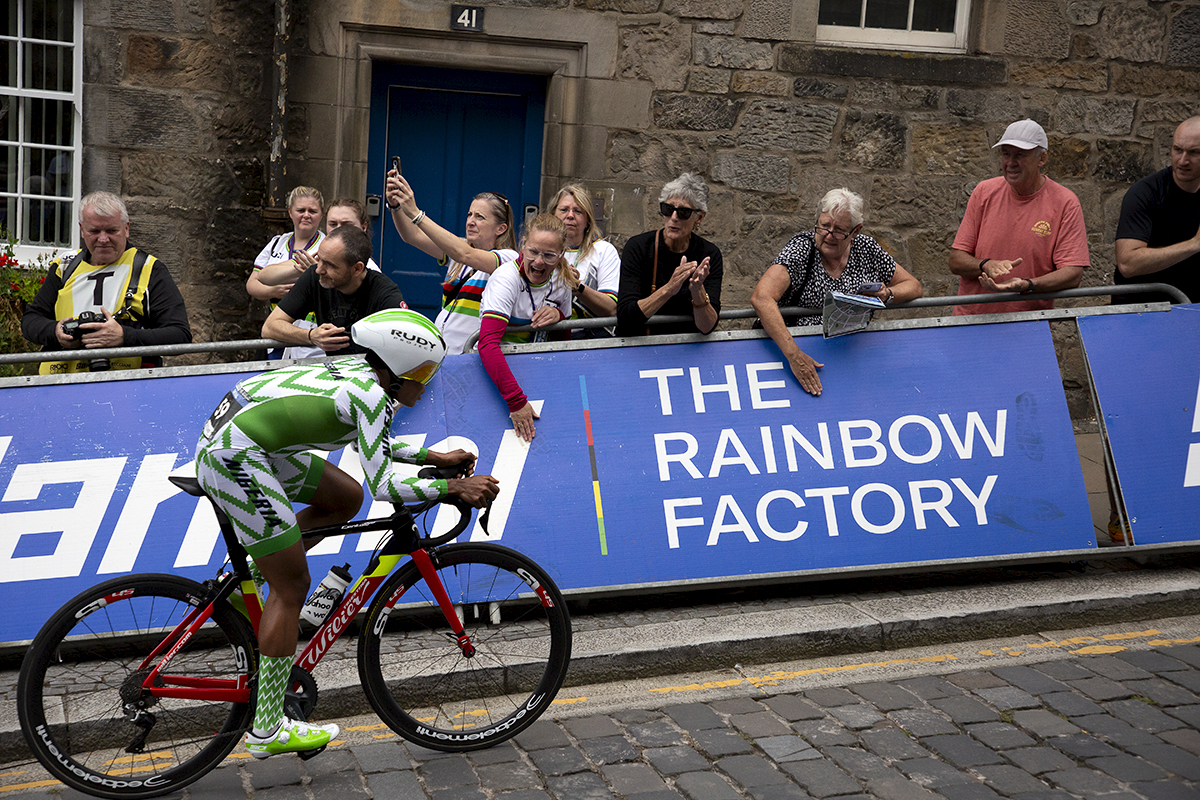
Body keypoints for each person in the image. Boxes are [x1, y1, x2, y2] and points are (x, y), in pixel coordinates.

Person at [195, 308, 500, 759]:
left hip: (247, 441)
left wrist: (431, 455)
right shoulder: (371, 394)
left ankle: (252, 588)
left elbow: (371, 440)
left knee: (344, 499)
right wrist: (452, 486)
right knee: (293, 585)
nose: (427, 380)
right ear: (396, 367)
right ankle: (267, 729)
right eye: (422, 371)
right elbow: (385, 486)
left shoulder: (365, 375)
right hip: (234, 455)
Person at [750, 188, 923, 397]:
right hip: (797, 353)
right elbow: (761, 297)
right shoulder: (802, 248)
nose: (829, 235)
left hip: (849, 354)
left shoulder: (867, 249)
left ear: (855, 231)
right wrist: (795, 357)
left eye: (839, 230)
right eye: (824, 226)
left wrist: (887, 294)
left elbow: (913, 286)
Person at [20, 191, 192, 374]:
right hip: (60, 386)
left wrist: (124, 336)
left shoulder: (149, 269)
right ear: (82, 229)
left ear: (126, 228)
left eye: (112, 230)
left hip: (127, 387)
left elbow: (180, 335)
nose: (103, 239)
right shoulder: (64, 266)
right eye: (94, 231)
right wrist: (55, 331)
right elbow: (30, 321)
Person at [949, 119, 1089, 315]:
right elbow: (956, 260)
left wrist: (1028, 284)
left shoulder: (1065, 202)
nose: (1011, 163)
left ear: (1042, 159)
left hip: (1029, 322)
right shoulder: (984, 192)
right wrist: (985, 265)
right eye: (1006, 154)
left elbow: (1073, 274)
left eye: (1020, 155)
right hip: (973, 321)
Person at [385, 171, 517, 354]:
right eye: (470, 214)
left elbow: (466, 255)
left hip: (472, 357)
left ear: (501, 228)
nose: (471, 221)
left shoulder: (508, 259)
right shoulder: (459, 249)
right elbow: (411, 236)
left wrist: (415, 213)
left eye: (480, 217)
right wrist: (395, 206)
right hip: (443, 353)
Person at [478, 214, 576, 442]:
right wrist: (516, 402)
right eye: (532, 252)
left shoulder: (562, 279)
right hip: (500, 379)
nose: (539, 261)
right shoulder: (506, 278)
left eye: (549, 255)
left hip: (537, 374)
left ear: (561, 255)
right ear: (523, 246)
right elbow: (487, 344)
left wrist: (559, 316)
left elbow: (565, 340)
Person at [262, 225, 406, 357]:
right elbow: (269, 327)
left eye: (330, 265)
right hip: (331, 372)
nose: (319, 269)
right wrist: (311, 336)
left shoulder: (385, 295)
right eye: (320, 259)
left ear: (357, 269)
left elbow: (405, 349)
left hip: (372, 374)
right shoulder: (314, 277)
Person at [616, 173, 723, 337]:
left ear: (699, 217)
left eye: (683, 212)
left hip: (685, 353)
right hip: (640, 348)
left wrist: (697, 291)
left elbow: (707, 326)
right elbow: (626, 316)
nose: (673, 218)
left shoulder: (709, 254)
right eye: (668, 209)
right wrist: (669, 289)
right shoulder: (638, 247)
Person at [1113, 116, 1200, 305]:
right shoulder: (1145, 193)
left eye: (1194, 153)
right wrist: (1194, 244)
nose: (1183, 160)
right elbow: (1128, 263)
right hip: (1143, 310)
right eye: (1178, 150)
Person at [247, 187, 325, 358]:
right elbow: (252, 283)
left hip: (310, 330)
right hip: (276, 326)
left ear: (321, 214)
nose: (306, 215)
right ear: (290, 212)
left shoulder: (326, 245)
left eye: (312, 211)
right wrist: (272, 291)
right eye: (300, 210)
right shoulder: (277, 243)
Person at [550, 184, 620, 336]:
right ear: (553, 214)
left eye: (577, 211)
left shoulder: (603, 250)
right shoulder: (539, 251)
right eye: (564, 209)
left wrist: (578, 288)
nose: (570, 215)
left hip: (587, 338)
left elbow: (610, 308)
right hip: (546, 336)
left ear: (587, 219)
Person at [325, 198, 383, 274]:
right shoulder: (316, 261)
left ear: (364, 227)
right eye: (333, 224)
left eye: (346, 225)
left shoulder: (370, 270)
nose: (338, 229)